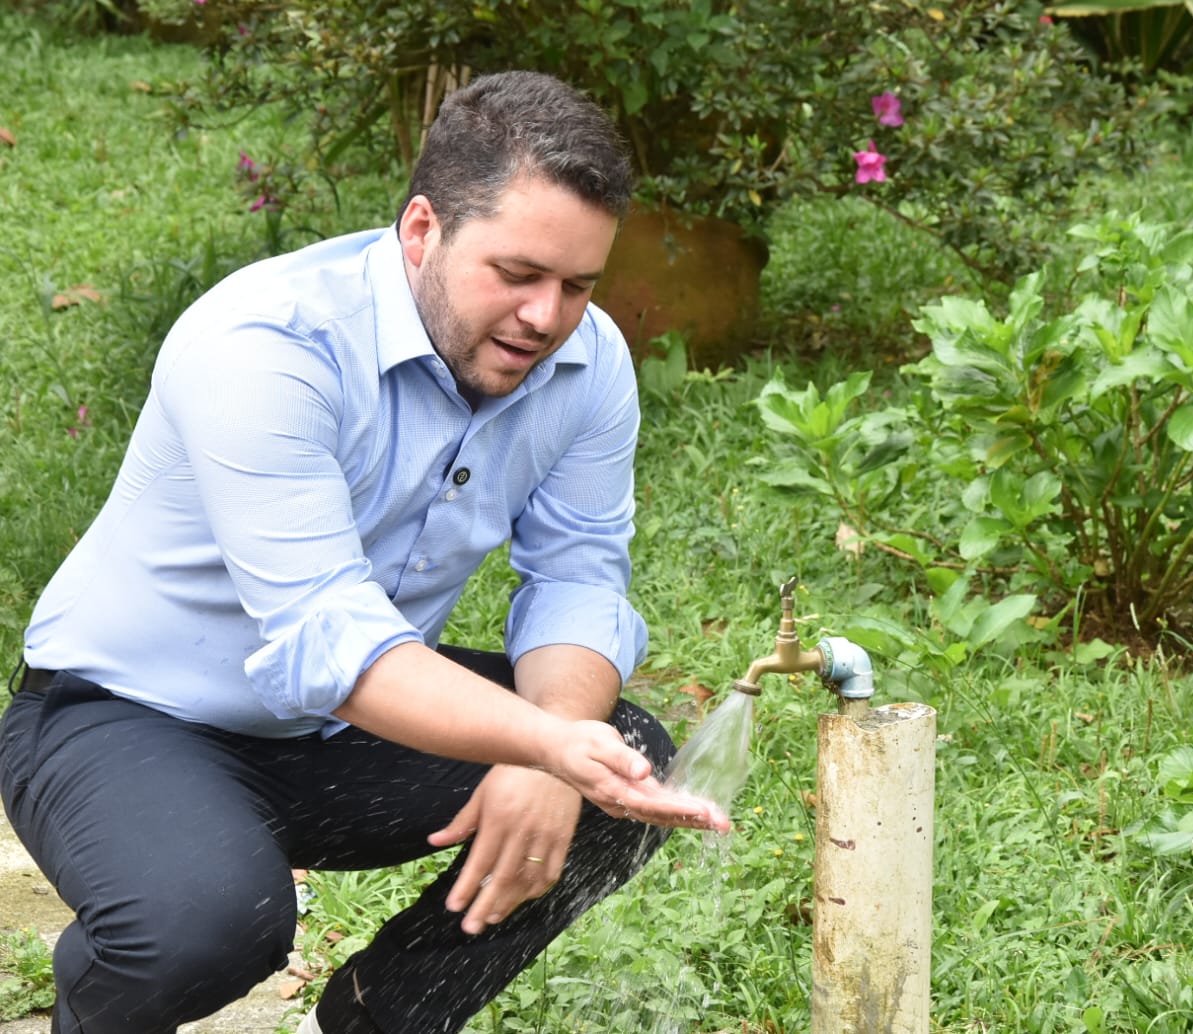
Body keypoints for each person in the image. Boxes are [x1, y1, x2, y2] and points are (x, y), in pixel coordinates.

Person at [0, 70, 728, 1034]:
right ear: (422, 229)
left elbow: (576, 575)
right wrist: (544, 744)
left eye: (577, 285)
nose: (547, 318)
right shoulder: (267, 343)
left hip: (335, 736)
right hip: (127, 717)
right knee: (204, 924)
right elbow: (329, 635)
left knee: (620, 767)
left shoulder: (587, 363)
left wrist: (554, 753)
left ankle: (367, 1022)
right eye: (517, 274)